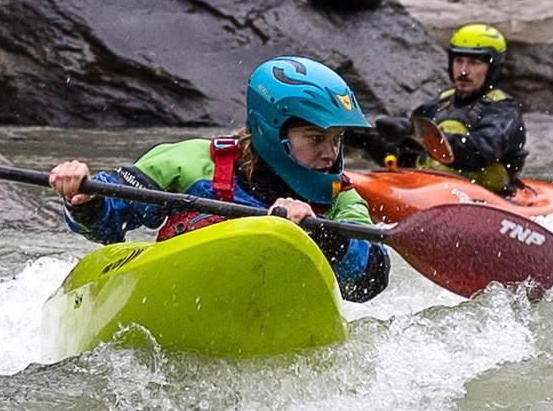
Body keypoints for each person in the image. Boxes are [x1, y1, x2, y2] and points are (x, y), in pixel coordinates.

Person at [48, 55, 391, 302]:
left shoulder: (340, 197)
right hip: (178, 300)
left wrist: (322, 235)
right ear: (271, 130)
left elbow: (368, 283)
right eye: (316, 139)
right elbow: (107, 224)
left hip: (272, 313)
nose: (331, 154)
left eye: (337, 139)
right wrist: (85, 200)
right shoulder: (191, 162)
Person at [375, 22, 527, 193]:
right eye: (459, 61)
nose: (463, 71)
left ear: (491, 69)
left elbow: (479, 153)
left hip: (488, 196)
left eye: (474, 63)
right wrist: (369, 140)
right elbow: (407, 158)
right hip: (430, 190)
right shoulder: (434, 107)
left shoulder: (504, 112)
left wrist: (419, 132)